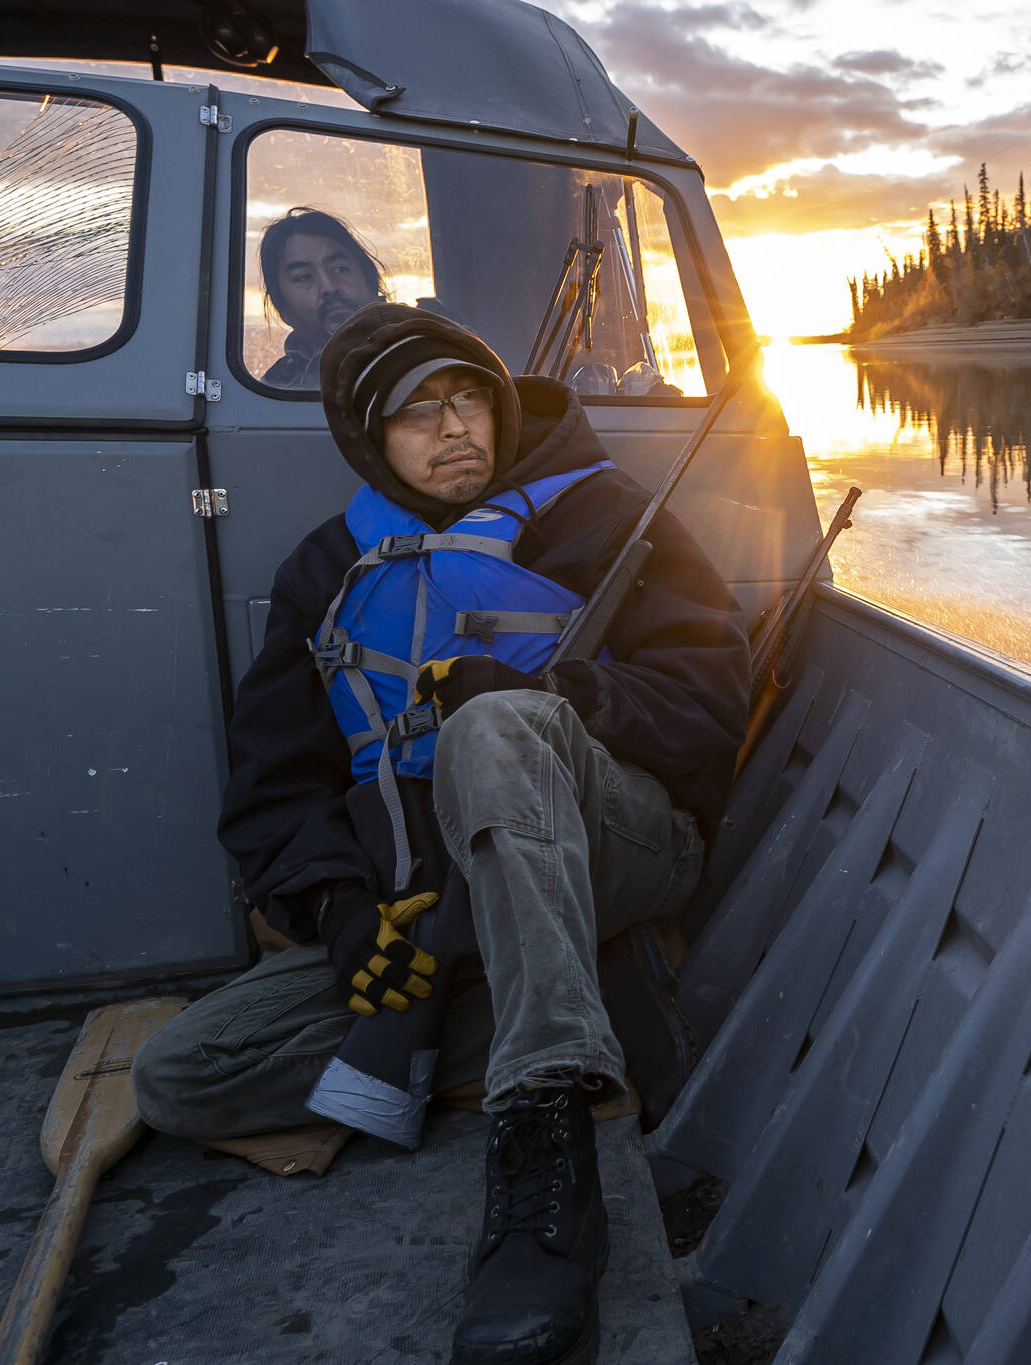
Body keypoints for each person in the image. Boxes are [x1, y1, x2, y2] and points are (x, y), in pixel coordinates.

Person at [131, 303, 751, 1364]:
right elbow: (275, 785)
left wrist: (545, 689)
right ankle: (580, 999)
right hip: (432, 895)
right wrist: (338, 911)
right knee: (184, 1075)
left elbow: (707, 707)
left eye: (468, 396)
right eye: (418, 414)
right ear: (374, 444)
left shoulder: (605, 517)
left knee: (496, 726)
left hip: (620, 845)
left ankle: (543, 1142)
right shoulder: (323, 572)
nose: (454, 426)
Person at [257, 207, 385, 388]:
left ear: (370, 282)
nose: (329, 287)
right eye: (304, 277)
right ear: (283, 308)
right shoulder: (275, 387)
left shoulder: (419, 351)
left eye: (340, 269)